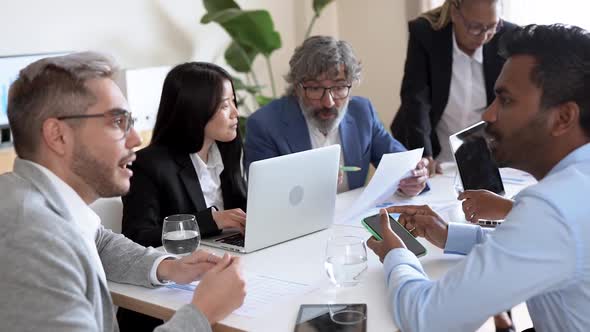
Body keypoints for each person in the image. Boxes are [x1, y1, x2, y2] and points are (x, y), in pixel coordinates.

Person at [0, 52, 246, 332]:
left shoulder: (34, 197)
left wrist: (168, 266)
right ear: (58, 136)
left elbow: (99, 242)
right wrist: (202, 312)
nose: (134, 138)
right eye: (118, 122)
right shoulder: (32, 242)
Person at [367, 24, 590, 331]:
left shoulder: (554, 207)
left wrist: (396, 254)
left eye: (506, 100)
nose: (488, 115)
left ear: (563, 117)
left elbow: (427, 319)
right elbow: (531, 246)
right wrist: (448, 234)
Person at [245, 35, 428, 196]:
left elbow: (401, 164)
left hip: (352, 226)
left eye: (339, 87)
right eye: (315, 89)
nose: (329, 102)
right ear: (297, 87)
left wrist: (413, 180)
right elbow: (264, 199)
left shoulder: (362, 113)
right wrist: (310, 183)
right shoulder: (265, 125)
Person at [122, 62, 247, 249]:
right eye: (224, 105)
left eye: (233, 101)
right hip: (185, 267)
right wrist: (212, 221)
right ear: (194, 109)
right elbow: (138, 236)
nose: (235, 113)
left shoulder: (227, 151)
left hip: (232, 254)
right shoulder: (147, 165)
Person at [390, 0, 517, 176]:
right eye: (475, 27)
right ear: (455, 14)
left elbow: (514, 103)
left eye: (492, 26)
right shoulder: (426, 33)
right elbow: (416, 99)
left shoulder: (510, 37)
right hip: (433, 147)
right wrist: (423, 154)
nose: (484, 36)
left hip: (484, 154)